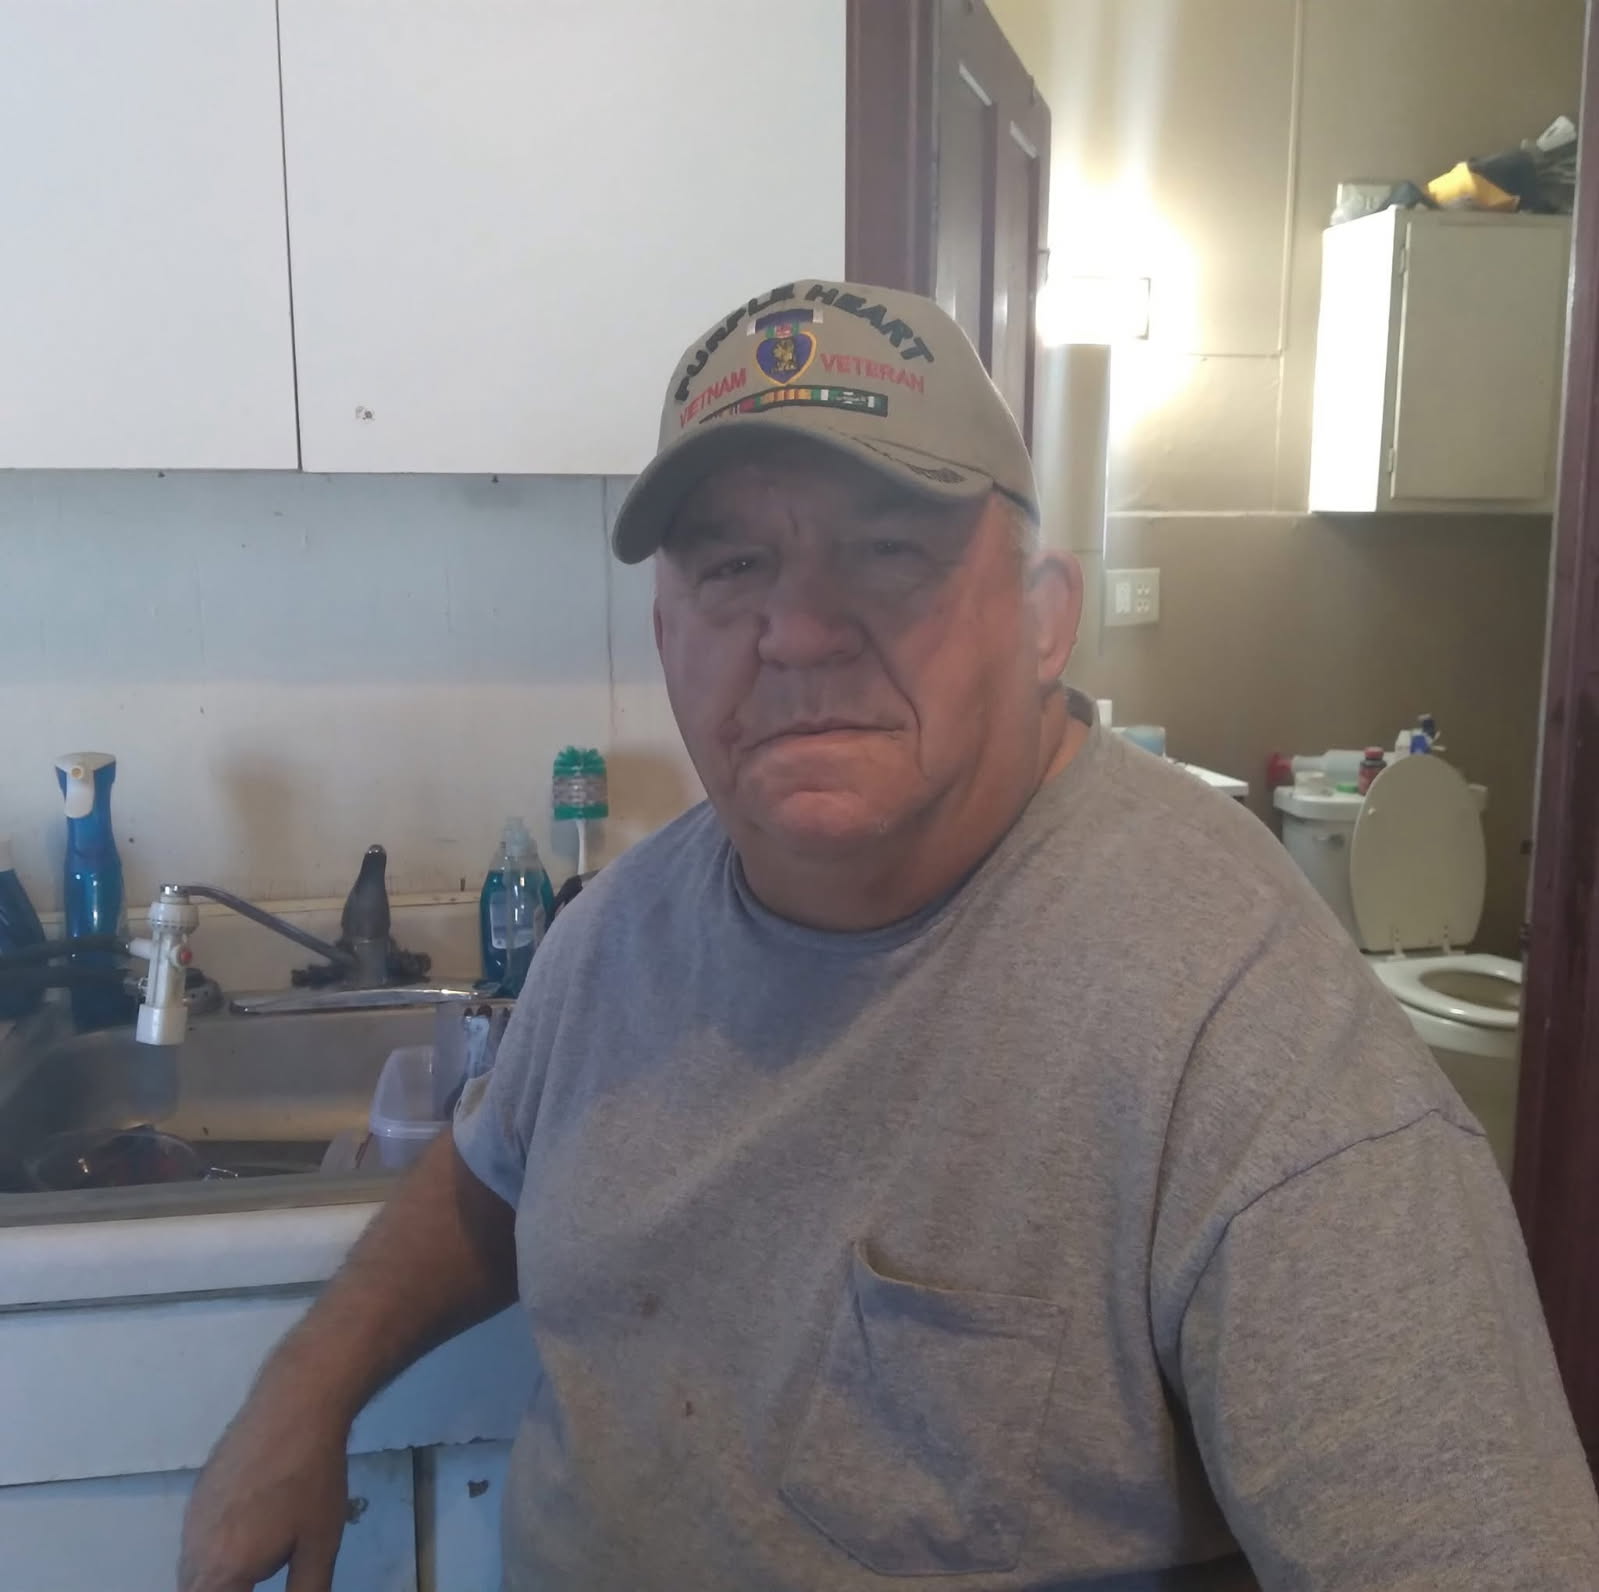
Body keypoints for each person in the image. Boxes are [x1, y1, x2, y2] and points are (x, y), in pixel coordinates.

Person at [180, 280, 1599, 1592]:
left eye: (890, 552)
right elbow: (492, 1180)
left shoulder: (1245, 1033)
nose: (799, 631)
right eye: (733, 565)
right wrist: (303, 1394)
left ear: (1044, 620)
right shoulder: (616, 933)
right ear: (667, 635)